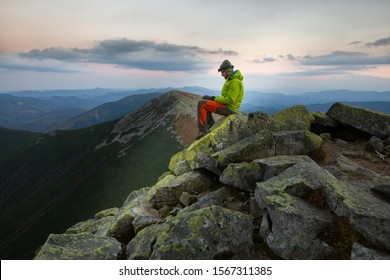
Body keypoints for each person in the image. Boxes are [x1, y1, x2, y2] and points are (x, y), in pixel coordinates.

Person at [196, 60, 244, 139]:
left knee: (202, 104)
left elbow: (230, 100)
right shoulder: (231, 80)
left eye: (222, 72)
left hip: (229, 108)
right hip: (227, 105)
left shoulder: (234, 82)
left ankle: (202, 130)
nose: (221, 74)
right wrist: (214, 98)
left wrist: (215, 98)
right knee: (205, 97)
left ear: (228, 71)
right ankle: (210, 123)